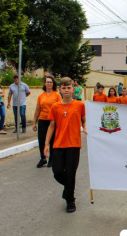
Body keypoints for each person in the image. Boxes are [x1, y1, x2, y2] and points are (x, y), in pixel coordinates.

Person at [44, 77, 86, 213]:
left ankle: (70, 200)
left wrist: (85, 127)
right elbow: (51, 126)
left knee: (71, 173)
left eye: (69, 88)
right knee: (57, 172)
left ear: (73, 89)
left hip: (74, 145)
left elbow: (84, 120)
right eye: (64, 88)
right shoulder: (55, 107)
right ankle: (68, 188)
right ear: (60, 90)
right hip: (58, 145)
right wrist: (46, 145)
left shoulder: (80, 105)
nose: (66, 90)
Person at [33, 75, 62, 168]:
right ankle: (43, 158)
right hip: (42, 120)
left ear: (53, 84)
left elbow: (60, 108)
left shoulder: (57, 95)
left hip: (53, 121)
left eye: (50, 82)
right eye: (47, 82)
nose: (48, 83)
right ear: (45, 84)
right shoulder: (41, 96)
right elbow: (37, 110)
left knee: (52, 141)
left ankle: (52, 159)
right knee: (41, 140)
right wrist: (34, 122)